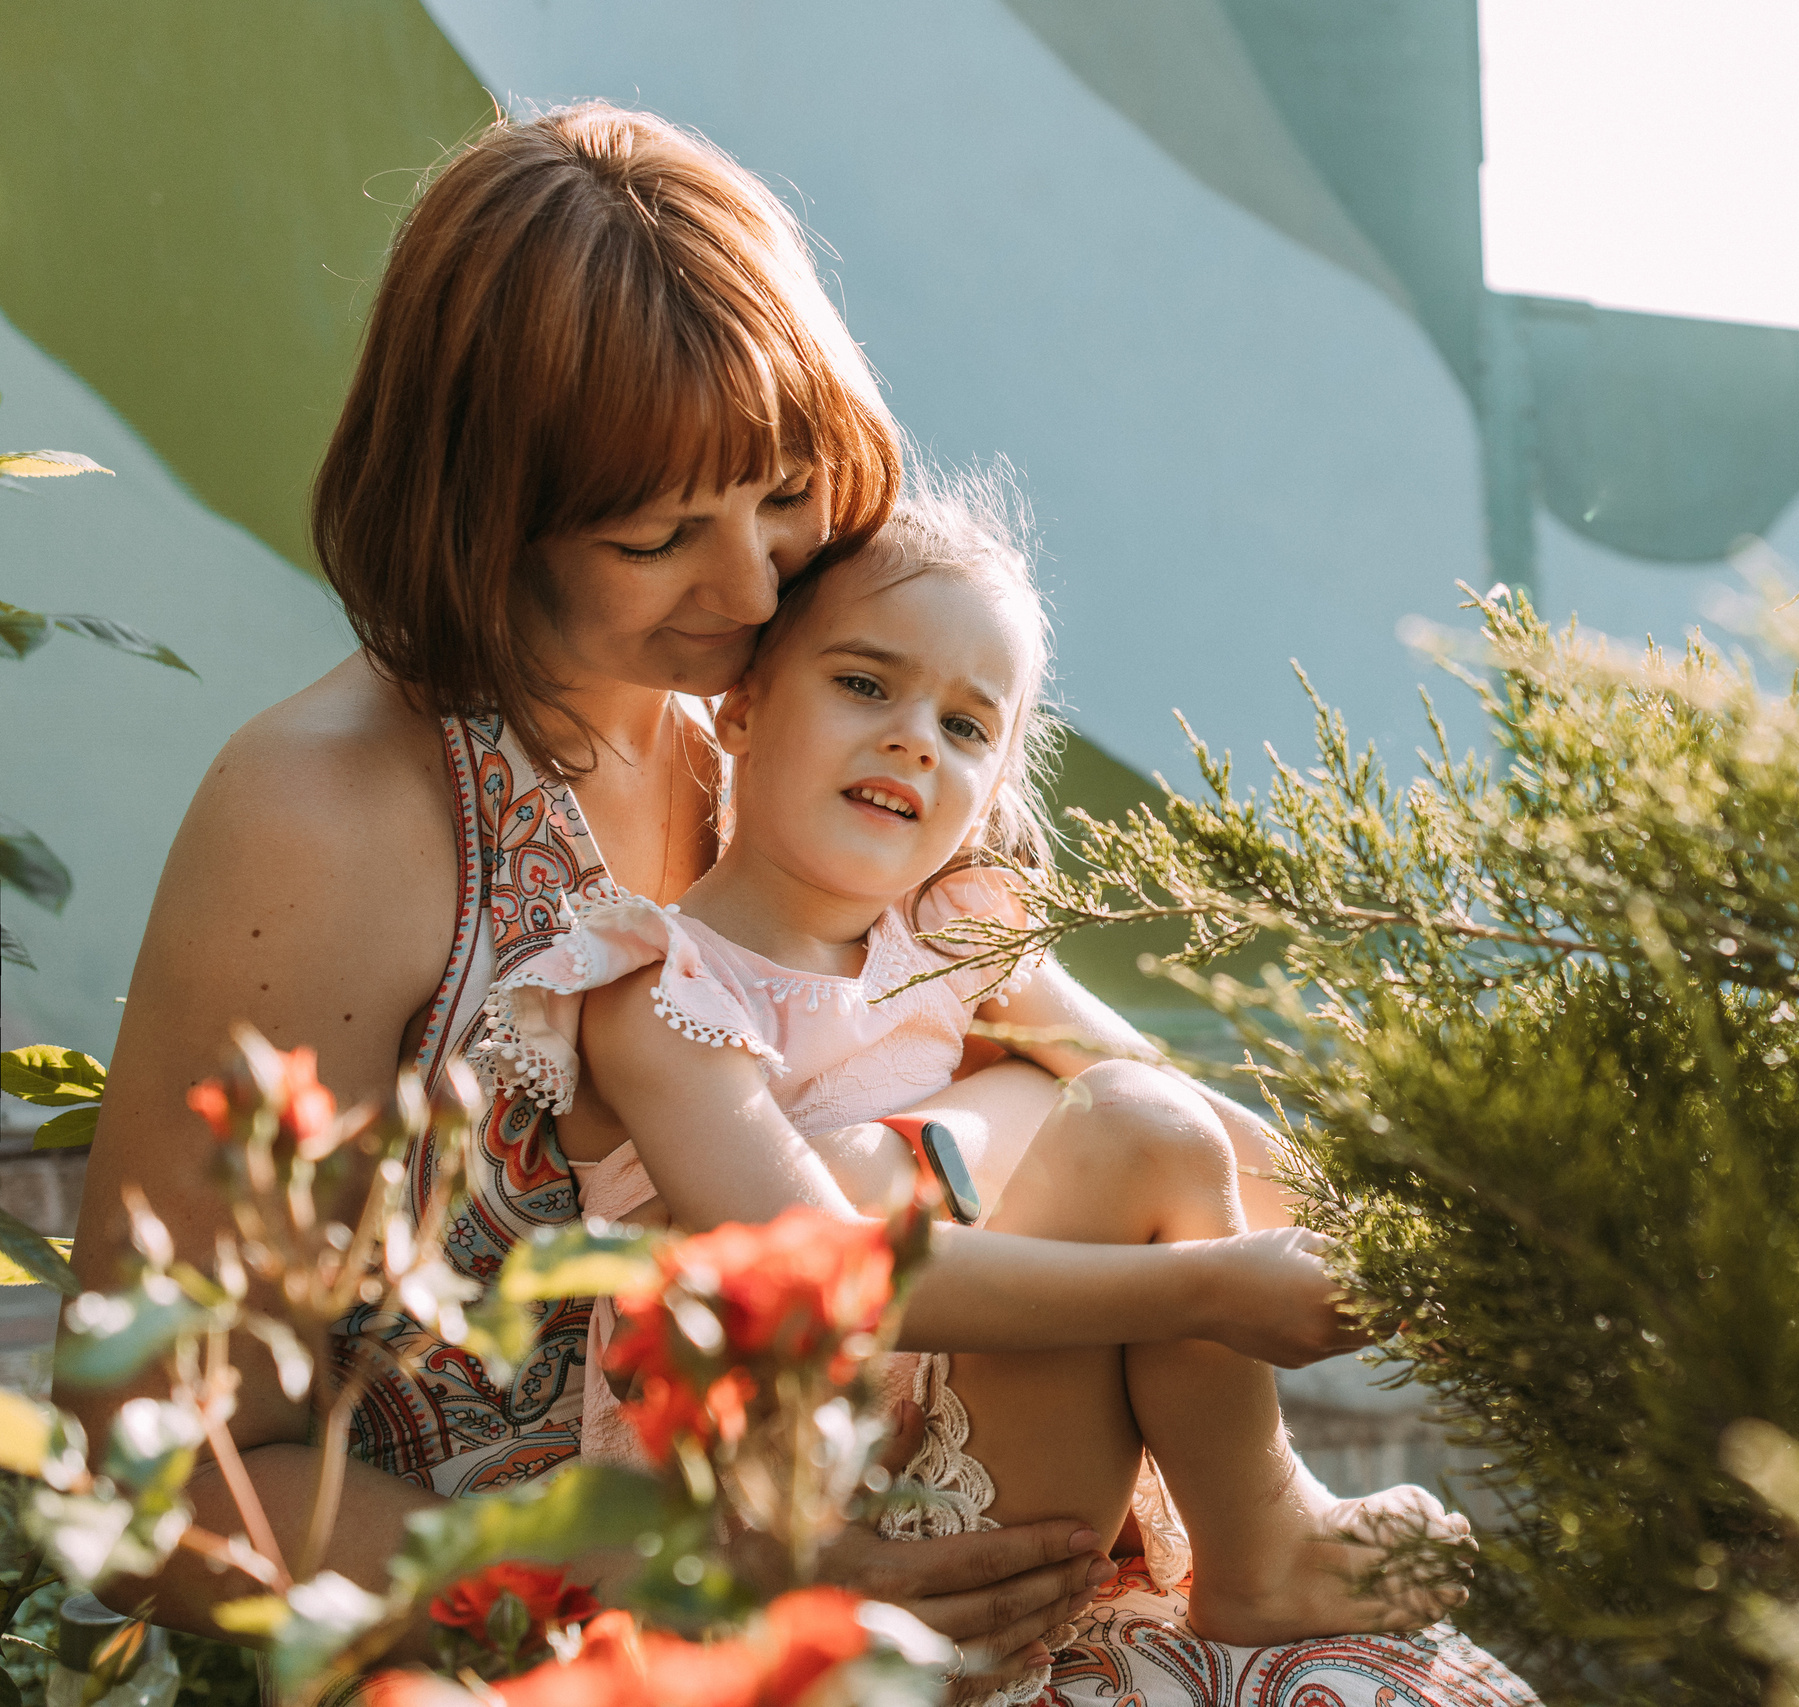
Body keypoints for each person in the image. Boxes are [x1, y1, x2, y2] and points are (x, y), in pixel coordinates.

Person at [64, 104, 1366, 1687]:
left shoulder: (810, 728)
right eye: (658, 536)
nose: (755, 592)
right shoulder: (320, 817)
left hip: (970, 1530)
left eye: (782, 495)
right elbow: (163, 1488)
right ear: (487, 513)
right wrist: (703, 1577)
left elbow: (1130, 1116)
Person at [473, 486, 1473, 1692]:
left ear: (991, 787)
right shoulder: (660, 989)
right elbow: (823, 1272)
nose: (912, 740)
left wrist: (1407, 1248)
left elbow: (1178, 1108)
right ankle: (1258, 1530)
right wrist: (1206, 1283)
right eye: (863, 684)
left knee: (1142, 1117)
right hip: (816, 1531)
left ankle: (1260, 1533)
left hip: (997, 1451)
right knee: (1094, 1134)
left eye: (964, 726)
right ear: (739, 709)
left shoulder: (958, 930)